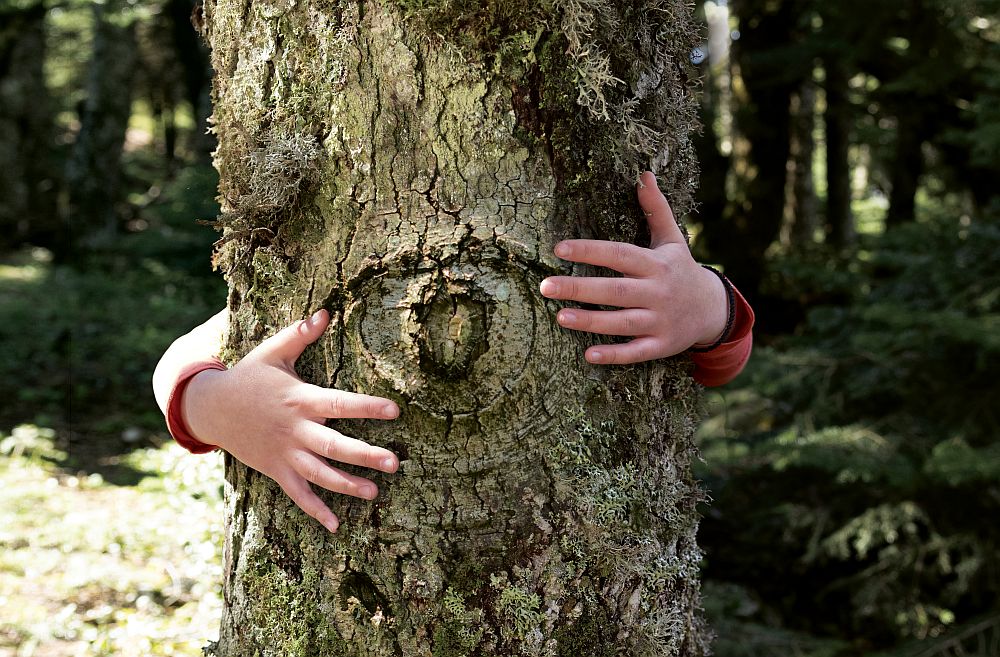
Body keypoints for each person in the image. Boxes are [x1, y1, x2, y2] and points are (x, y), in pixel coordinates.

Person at [152, 172, 754, 534]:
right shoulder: (297, 297)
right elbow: (180, 359)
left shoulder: (646, 296)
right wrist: (217, 406)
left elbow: (721, 357)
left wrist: (708, 306)